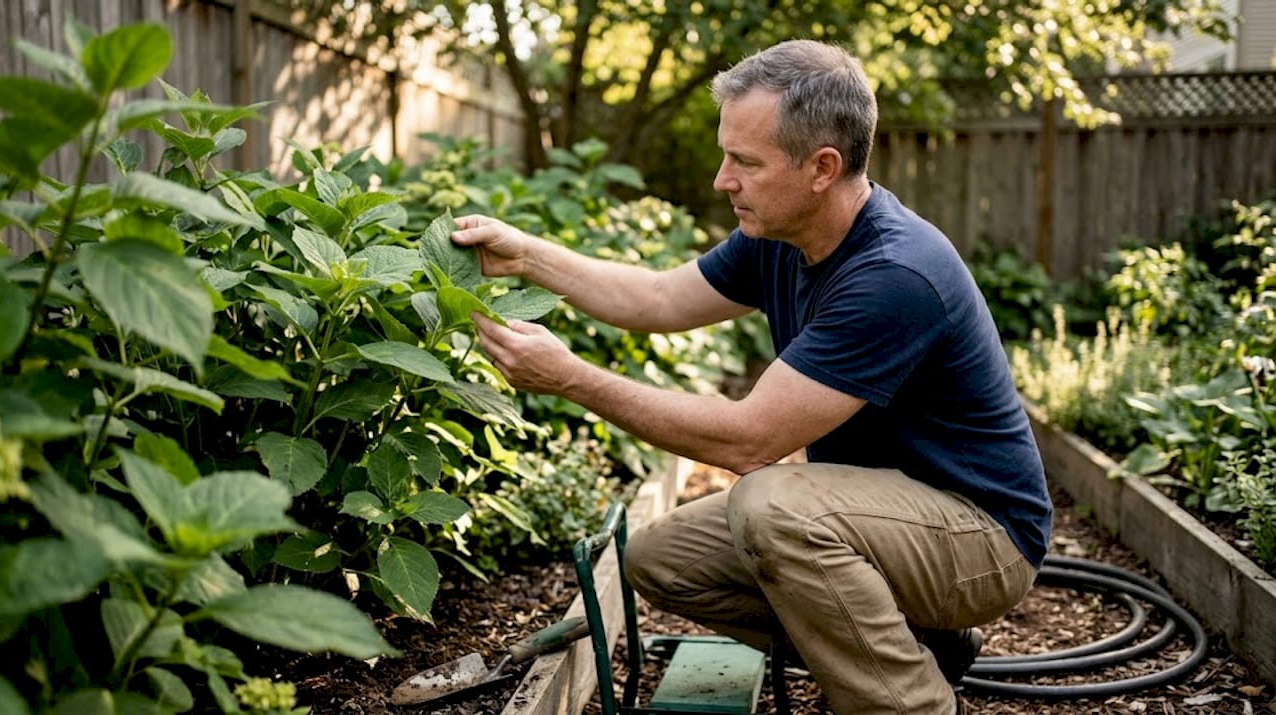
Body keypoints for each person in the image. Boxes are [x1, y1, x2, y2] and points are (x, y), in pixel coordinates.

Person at [450, 39, 1052, 715]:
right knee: (662, 559)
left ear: (822, 168)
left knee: (770, 505)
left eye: (745, 161)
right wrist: (525, 257)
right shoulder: (780, 238)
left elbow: (749, 440)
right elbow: (657, 298)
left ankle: (909, 703)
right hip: (885, 516)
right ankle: (920, 645)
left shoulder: (893, 275)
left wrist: (570, 378)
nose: (722, 180)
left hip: (981, 536)